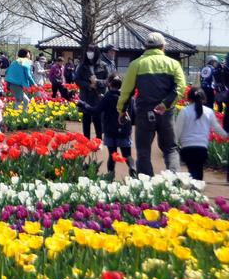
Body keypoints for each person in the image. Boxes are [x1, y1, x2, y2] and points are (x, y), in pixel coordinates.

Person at [117, 32, 186, 177]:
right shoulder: (173, 64)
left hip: (144, 113)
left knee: (143, 150)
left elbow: (126, 91)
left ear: (145, 47)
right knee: (170, 149)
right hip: (166, 113)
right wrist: (165, 104)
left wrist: (122, 110)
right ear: (163, 47)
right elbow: (180, 88)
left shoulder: (136, 64)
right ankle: (174, 181)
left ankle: (147, 184)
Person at [80, 76, 135, 177]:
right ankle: (133, 167)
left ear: (109, 84)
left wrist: (83, 104)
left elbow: (95, 111)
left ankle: (110, 176)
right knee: (127, 154)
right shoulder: (128, 97)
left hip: (110, 131)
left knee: (112, 154)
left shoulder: (108, 97)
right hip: (124, 131)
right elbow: (134, 115)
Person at [175, 86, 227, 181]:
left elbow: (177, 130)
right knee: (198, 170)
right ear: (203, 98)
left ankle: (194, 189)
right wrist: (225, 135)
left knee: (192, 170)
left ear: (189, 98)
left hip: (187, 148)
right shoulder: (209, 112)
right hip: (202, 148)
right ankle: (197, 187)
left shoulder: (184, 111)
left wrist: (173, 143)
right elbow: (216, 128)